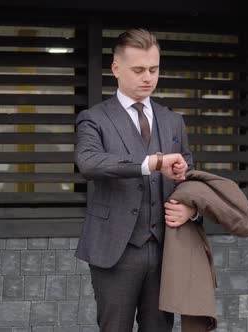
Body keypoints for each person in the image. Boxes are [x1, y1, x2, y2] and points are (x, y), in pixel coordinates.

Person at [75, 28, 200, 331]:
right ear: (116, 69)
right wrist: (152, 162)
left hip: (166, 250)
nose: (148, 77)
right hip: (115, 251)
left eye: (154, 69)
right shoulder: (94, 118)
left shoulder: (173, 121)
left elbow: (190, 177)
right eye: (139, 70)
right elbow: (89, 163)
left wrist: (190, 210)